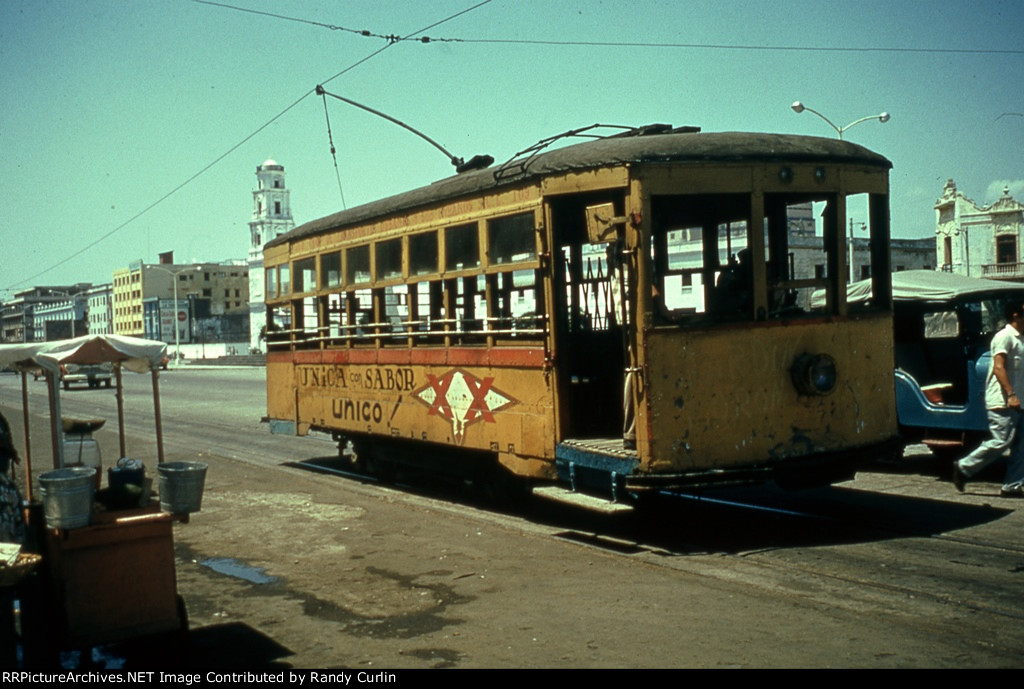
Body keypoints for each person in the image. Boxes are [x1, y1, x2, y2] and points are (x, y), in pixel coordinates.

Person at [952, 301, 1024, 498]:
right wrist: (1011, 394)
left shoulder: (1022, 338)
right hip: (1004, 400)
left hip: (1021, 401)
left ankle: (1012, 486)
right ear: (1016, 315)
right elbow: (999, 367)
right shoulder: (1004, 337)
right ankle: (963, 467)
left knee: (1022, 446)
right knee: (1001, 442)